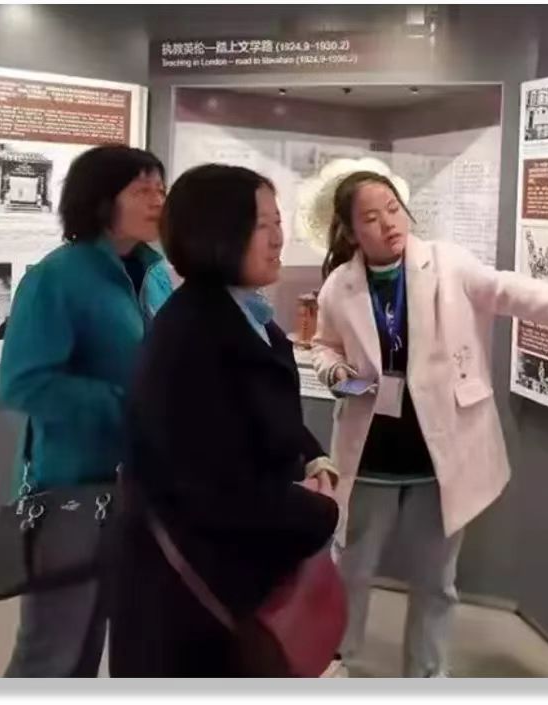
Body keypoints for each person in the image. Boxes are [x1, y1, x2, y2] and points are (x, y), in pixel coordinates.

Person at [311, 170, 548, 678]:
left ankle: (429, 674)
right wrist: (335, 372)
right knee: (352, 570)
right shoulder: (340, 285)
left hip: (440, 456)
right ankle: (337, 661)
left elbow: (509, 290)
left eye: (393, 209)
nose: (388, 224)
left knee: (436, 580)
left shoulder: (447, 264)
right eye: (371, 218)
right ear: (351, 231)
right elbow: (324, 345)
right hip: (372, 455)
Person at [109, 165, 340, 677]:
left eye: (279, 222)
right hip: (191, 601)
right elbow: (215, 490)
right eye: (263, 225)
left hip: (232, 578)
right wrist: (321, 512)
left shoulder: (246, 317)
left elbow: (262, 416)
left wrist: (312, 454)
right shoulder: (192, 338)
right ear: (217, 233)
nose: (279, 238)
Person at [0, 145, 172, 678]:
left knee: (95, 644)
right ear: (101, 201)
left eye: (161, 189)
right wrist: (126, 405)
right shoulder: (57, 277)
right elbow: (24, 383)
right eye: (142, 190)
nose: (158, 201)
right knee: (52, 651)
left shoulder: (154, 273)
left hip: (135, 487)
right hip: (70, 488)